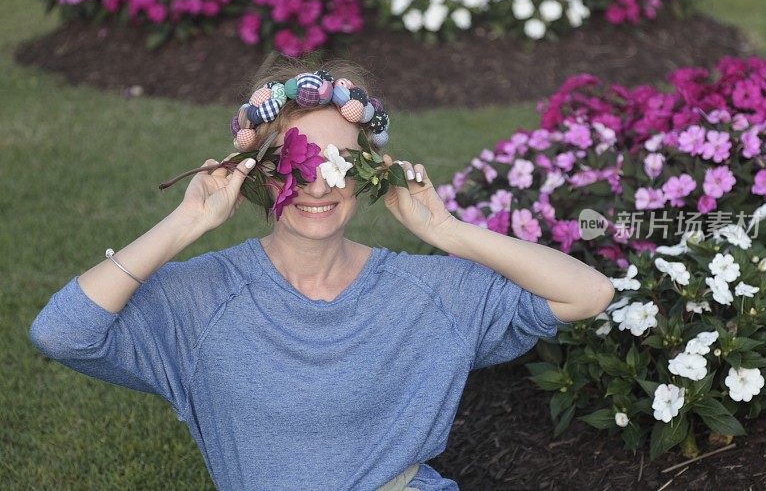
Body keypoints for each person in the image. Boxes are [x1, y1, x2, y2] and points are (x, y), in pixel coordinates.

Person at [28, 56, 615, 490]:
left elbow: (589, 293)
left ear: (368, 173)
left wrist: (449, 233)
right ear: (255, 171)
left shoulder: (426, 293)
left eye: (340, 163)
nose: (316, 184)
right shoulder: (202, 300)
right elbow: (62, 332)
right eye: (294, 161)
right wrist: (186, 222)